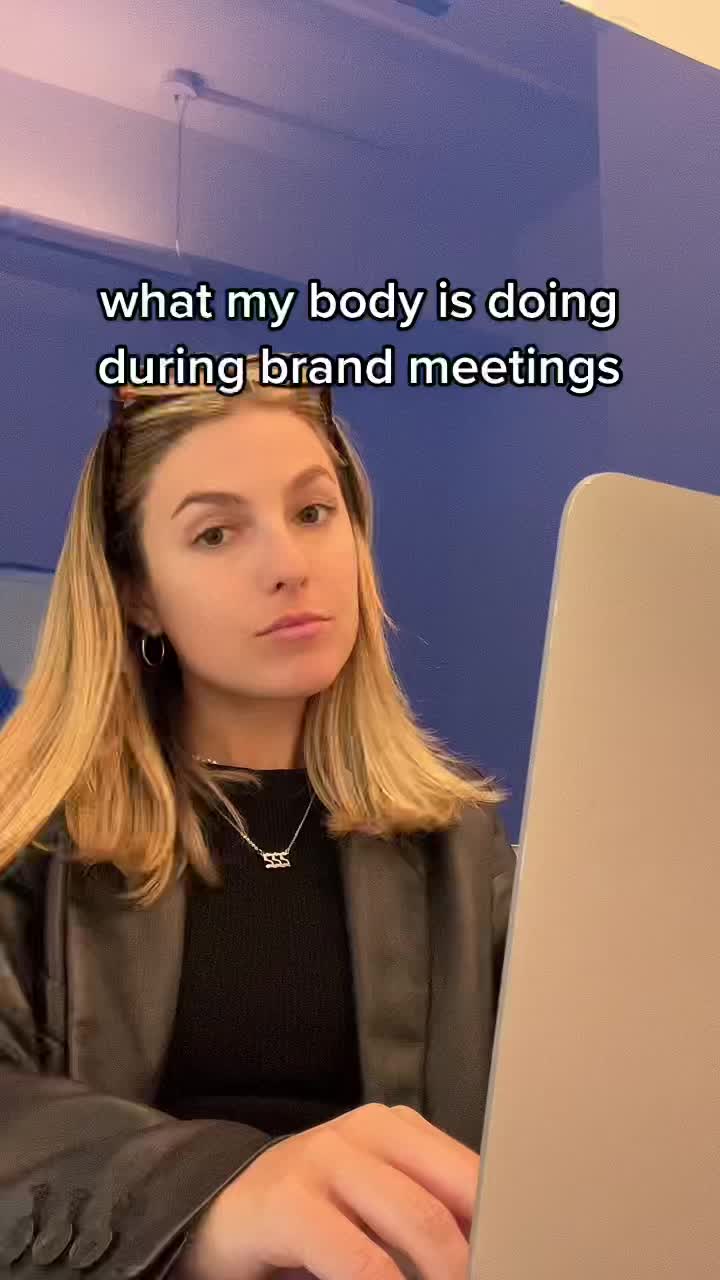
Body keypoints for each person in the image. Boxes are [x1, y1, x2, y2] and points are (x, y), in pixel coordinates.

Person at [0, 363, 516, 1280]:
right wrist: (214, 1198)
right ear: (138, 592)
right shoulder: (32, 838)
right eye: (215, 533)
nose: (289, 565)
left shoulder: (468, 855)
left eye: (313, 512)